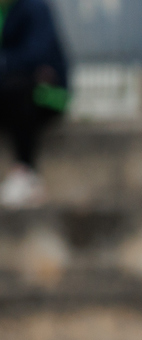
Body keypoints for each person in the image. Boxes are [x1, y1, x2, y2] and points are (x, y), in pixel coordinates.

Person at [0, 0, 70, 208]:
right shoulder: (7, 10)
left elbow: (36, 56)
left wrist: (5, 63)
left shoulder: (34, 8)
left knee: (17, 89)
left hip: (50, 96)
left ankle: (26, 173)